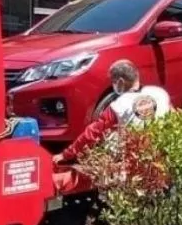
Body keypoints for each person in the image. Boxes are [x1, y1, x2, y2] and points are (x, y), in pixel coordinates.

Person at [52, 60, 171, 195]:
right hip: (161, 160)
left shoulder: (119, 105)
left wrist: (66, 154)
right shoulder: (159, 93)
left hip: (134, 165)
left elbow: (93, 133)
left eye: (113, 81)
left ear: (120, 81)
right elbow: (174, 119)